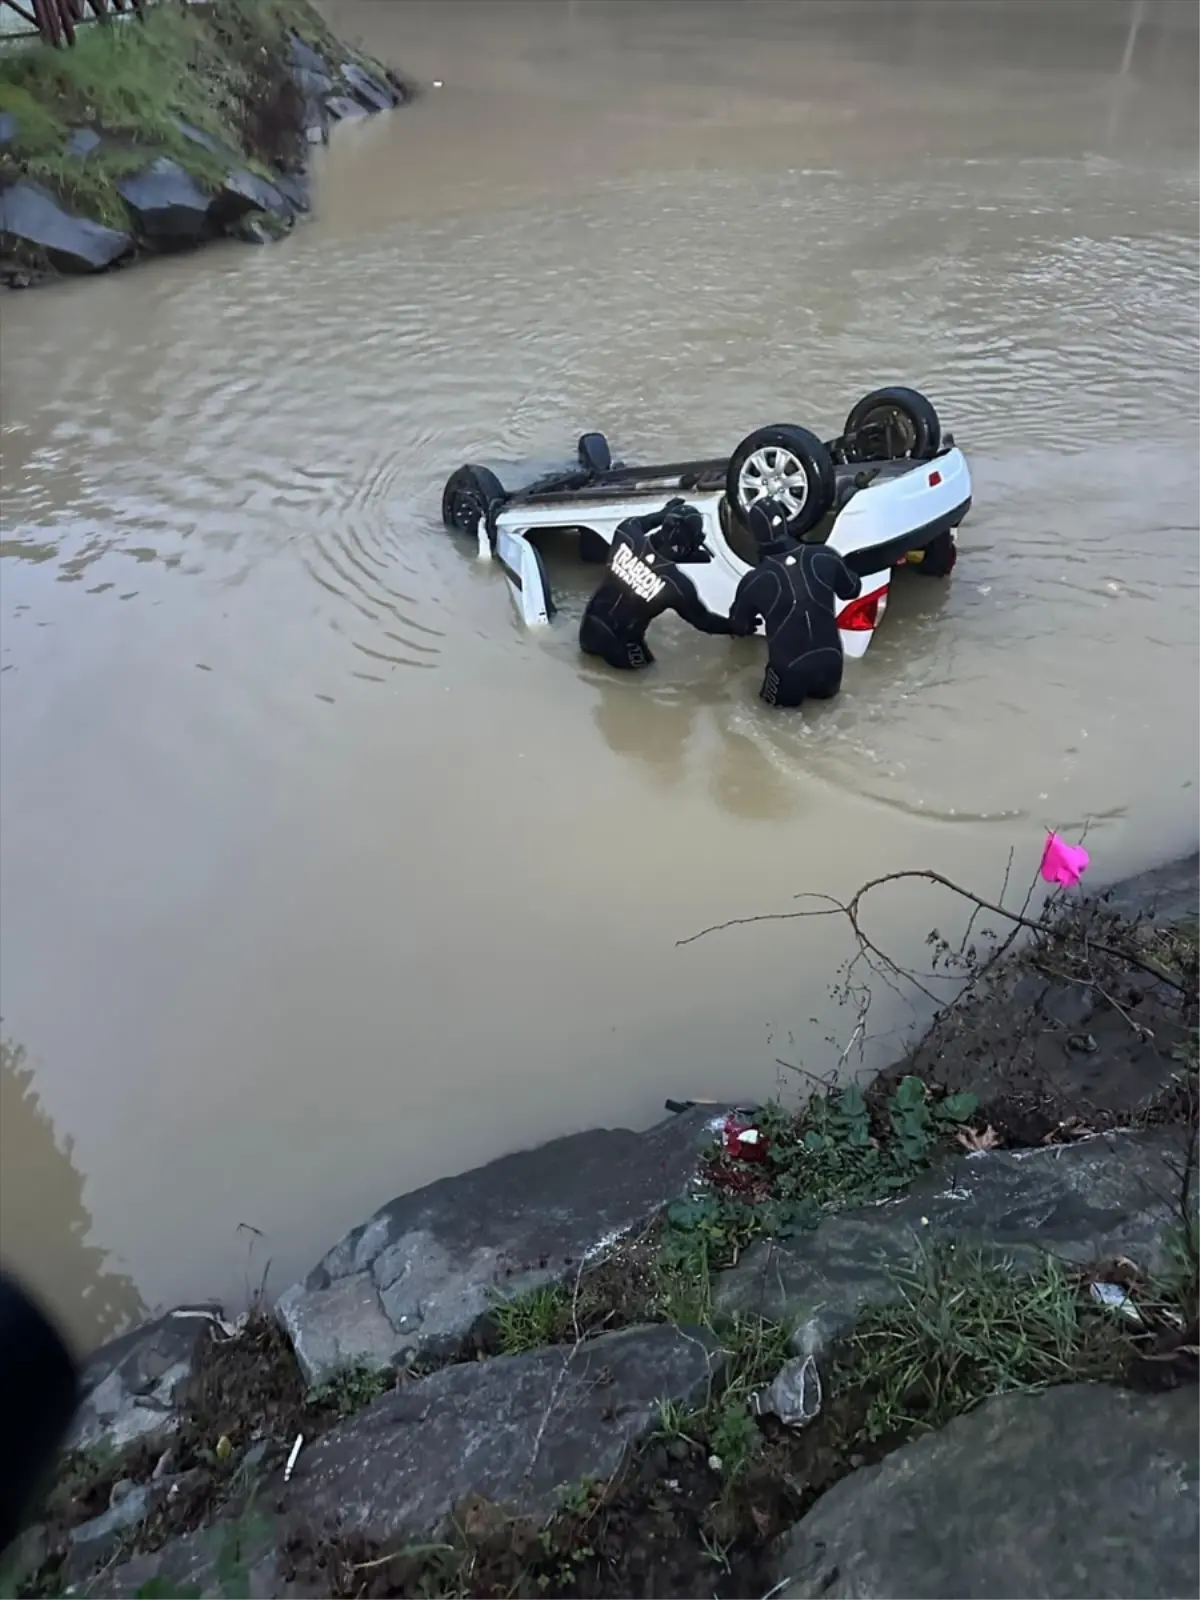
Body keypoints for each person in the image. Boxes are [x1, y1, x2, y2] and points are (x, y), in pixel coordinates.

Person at [728, 500, 862, 708]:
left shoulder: (754, 580)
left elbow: (738, 626)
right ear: (787, 522)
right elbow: (852, 590)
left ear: (753, 535)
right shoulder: (825, 555)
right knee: (828, 714)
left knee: (770, 721)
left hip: (788, 671)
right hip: (832, 661)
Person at [578, 498, 736, 670]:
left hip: (589, 627)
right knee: (647, 678)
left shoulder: (626, 532)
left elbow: (645, 521)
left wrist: (664, 512)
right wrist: (736, 626)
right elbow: (704, 621)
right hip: (622, 644)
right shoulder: (676, 585)